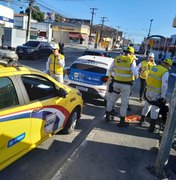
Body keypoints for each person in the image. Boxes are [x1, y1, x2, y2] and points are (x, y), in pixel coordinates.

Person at [106, 46, 138, 127]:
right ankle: (122, 122)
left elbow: (110, 70)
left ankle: (107, 116)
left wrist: (115, 75)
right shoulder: (131, 60)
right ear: (131, 53)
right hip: (126, 85)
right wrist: (136, 77)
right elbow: (135, 73)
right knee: (124, 103)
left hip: (116, 84)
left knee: (112, 100)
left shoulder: (117, 58)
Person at [139, 59, 173, 132]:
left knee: (147, 105)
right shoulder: (165, 71)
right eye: (169, 66)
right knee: (155, 109)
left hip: (148, 90)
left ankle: (141, 121)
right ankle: (152, 128)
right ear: (167, 65)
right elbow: (164, 85)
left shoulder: (154, 67)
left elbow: (148, 78)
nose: (169, 67)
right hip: (156, 93)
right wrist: (163, 96)